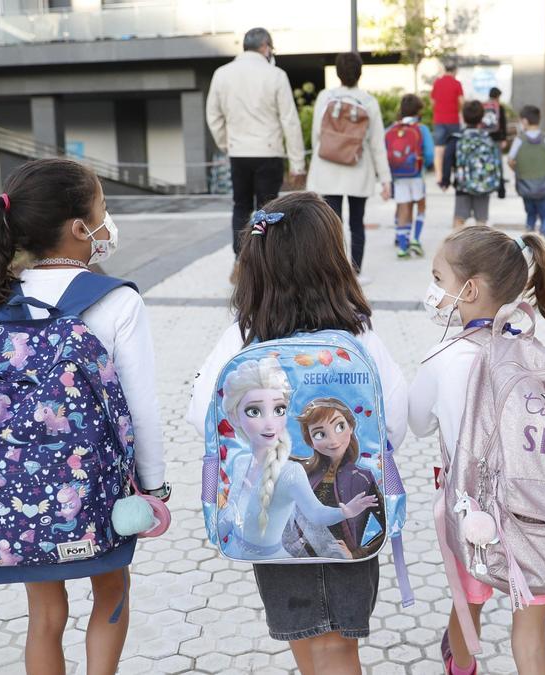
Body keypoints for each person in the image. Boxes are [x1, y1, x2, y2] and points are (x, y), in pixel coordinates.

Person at [0, 158, 168, 675]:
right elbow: (141, 406)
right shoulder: (115, 301)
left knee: (45, 613)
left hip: (18, 489)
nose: (107, 221)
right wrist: (154, 488)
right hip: (96, 485)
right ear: (79, 229)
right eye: (102, 209)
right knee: (111, 589)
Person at [186, 192, 408, 675]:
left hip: (269, 527)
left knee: (307, 642)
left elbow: (198, 415)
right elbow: (394, 424)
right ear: (334, 260)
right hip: (347, 526)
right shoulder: (359, 335)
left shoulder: (242, 337)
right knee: (338, 648)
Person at [409, 226, 545, 675]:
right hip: (541, 514)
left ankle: (461, 663)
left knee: (468, 604)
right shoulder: (533, 350)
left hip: (474, 514)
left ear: (468, 289)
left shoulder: (443, 356)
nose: (433, 290)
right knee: (531, 637)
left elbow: (418, 421)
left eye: (438, 279)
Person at [216, 357, 369, 561]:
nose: (270, 424)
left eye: (278, 410)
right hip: (235, 551)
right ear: (234, 416)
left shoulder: (290, 472)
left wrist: (345, 512)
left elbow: (316, 513)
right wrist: (215, 525)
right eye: (254, 411)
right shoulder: (241, 462)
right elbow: (234, 512)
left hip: (274, 559)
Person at [206, 27, 306, 255]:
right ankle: (265, 258)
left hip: (239, 152)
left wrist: (226, 143)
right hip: (268, 152)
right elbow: (289, 120)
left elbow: (213, 116)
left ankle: (241, 259)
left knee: (241, 207)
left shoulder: (222, 73)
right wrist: (298, 163)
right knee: (268, 210)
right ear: (265, 47)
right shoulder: (276, 75)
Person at [307, 52, 392, 285]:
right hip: (358, 168)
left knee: (331, 225)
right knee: (357, 223)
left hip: (327, 169)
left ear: (337, 73)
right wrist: (385, 179)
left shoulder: (326, 96)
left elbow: (317, 134)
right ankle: (355, 273)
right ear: (360, 73)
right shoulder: (368, 101)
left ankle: (332, 274)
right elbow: (377, 144)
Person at [296, 398, 387, 559]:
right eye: (319, 434)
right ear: (310, 440)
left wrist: (357, 553)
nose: (333, 440)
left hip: (343, 567)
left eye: (339, 427)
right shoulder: (303, 471)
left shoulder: (362, 479)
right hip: (298, 562)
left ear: (351, 426)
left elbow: (386, 527)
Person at [438, 100, 505, 229]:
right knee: (481, 221)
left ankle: (457, 248)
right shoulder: (488, 139)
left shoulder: (457, 138)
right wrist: (501, 186)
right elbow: (497, 162)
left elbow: (447, 159)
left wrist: (445, 180)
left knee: (459, 219)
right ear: (481, 118)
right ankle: (479, 248)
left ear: (462, 116)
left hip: (462, 185)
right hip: (484, 186)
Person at [385, 93, 435, 259]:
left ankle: (402, 246)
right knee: (420, 205)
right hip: (416, 174)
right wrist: (426, 165)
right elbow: (429, 154)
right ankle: (415, 239)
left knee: (403, 208)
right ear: (418, 111)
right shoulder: (421, 129)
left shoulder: (392, 128)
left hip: (398, 175)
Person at [507, 105, 545, 236]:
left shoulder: (519, 139)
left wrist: (517, 169)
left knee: (530, 214)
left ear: (524, 121)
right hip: (543, 186)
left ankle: (529, 241)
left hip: (525, 186)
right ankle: (543, 240)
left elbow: (510, 160)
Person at [430, 61, 465, 184]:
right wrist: (458, 111)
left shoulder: (437, 83)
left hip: (439, 120)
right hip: (453, 120)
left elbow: (432, 102)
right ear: (455, 70)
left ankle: (439, 176)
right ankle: (455, 175)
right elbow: (461, 101)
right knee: (455, 148)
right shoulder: (457, 84)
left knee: (439, 149)